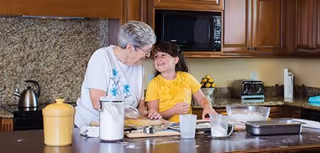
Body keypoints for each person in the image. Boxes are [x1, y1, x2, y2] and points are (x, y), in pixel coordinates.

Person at [75, 21, 162, 127]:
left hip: (123, 129)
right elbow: (98, 103)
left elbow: (140, 106)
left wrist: (148, 116)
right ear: (130, 47)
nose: (148, 55)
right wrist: (135, 120)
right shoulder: (102, 57)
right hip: (93, 128)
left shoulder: (139, 67)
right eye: (146, 51)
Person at [145, 41, 217, 122]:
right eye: (156, 56)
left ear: (175, 60)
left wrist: (208, 107)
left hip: (187, 127)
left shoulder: (187, 77)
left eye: (163, 55)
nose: (158, 59)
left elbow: (202, 99)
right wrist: (173, 110)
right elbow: (154, 116)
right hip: (164, 129)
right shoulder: (153, 84)